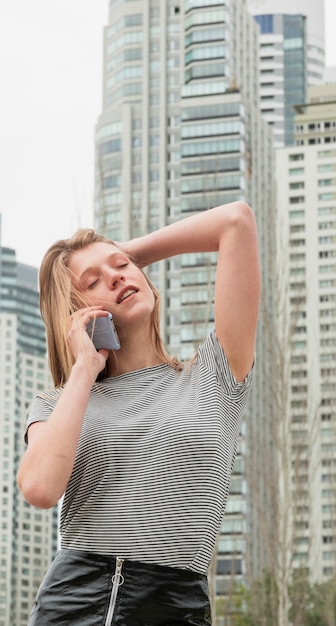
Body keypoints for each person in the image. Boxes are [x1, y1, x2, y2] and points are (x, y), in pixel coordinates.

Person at [17, 200, 260, 626]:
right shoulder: (58, 404)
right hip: (76, 603)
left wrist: (129, 254)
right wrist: (84, 369)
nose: (116, 276)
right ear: (78, 314)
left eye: (122, 266)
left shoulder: (213, 375)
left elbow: (236, 220)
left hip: (176, 604)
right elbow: (39, 488)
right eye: (94, 281)